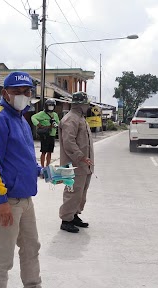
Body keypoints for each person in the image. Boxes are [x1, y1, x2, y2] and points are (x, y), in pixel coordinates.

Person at [0, 71, 43, 288]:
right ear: (5, 93)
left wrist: (41, 171)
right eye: (17, 92)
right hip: (6, 201)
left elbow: (23, 157)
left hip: (25, 200)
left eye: (27, 92)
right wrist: (1, 201)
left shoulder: (22, 119)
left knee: (32, 248)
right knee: (3, 258)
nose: (23, 96)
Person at [58, 91, 94, 233]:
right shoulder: (71, 119)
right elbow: (69, 142)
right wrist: (80, 156)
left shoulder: (80, 118)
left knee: (81, 192)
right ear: (80, 105)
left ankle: (74, 215)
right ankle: (66, 219)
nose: (87, 107)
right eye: (86, 104)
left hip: (84, 165)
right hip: (74, 165)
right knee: (72, 192)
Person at [31, 99, 60, 167]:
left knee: (50, 152)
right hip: (45, 135)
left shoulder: (55, 114)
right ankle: (42, 167)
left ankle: (48, 166)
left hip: (52, 135)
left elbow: (58, 123)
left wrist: (56, 125)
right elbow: (33, 117)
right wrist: (39, 125)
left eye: (52, 106)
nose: (51, 107)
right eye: (49, 106)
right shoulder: (42, 114)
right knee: (44, 152)